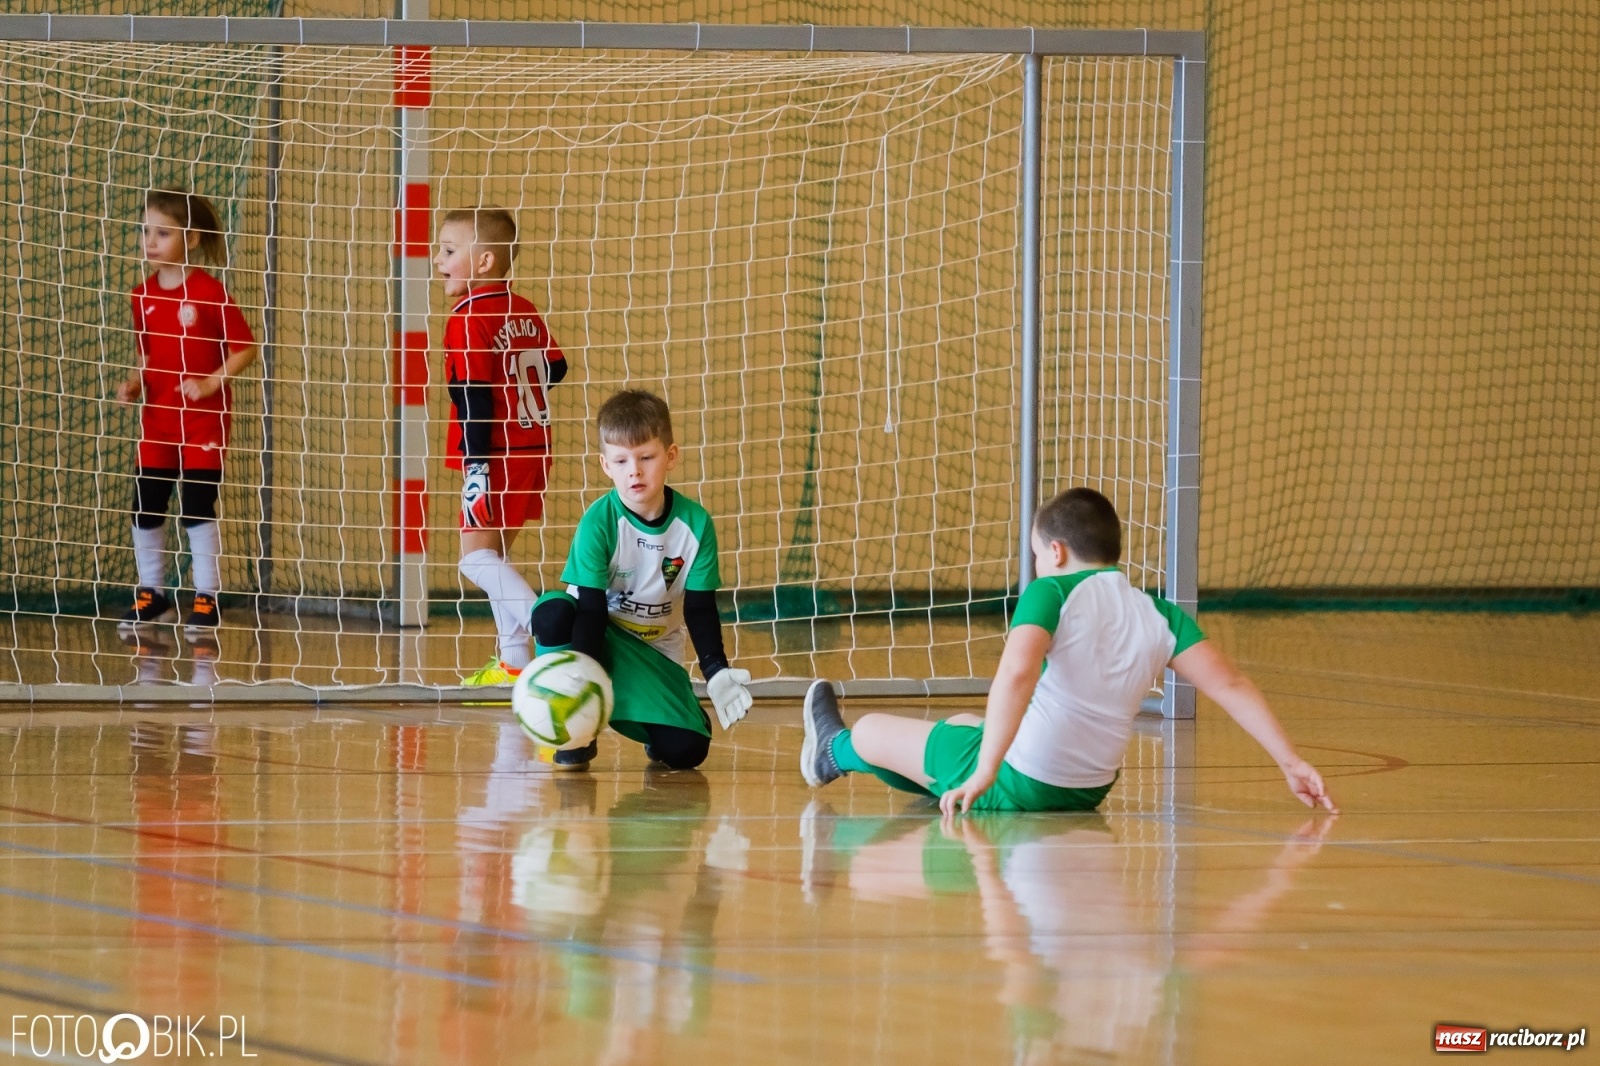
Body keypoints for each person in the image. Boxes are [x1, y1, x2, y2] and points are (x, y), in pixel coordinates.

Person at [800, 487, 1338, 816]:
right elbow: (1231, 685)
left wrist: (986, 771)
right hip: (1086, 790)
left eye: (1037, 554)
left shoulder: (1050, 592)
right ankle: (945, 774)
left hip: (1024, 780)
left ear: (1055, 552)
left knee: (871, 730)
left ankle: (832, 752)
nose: (1037, 565)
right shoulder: (1158, 613)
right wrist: (1291, 761)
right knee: (964, 723)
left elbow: (1017, 674)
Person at [529, 389, 752, 771]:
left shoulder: (695, 524)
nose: (634, 470)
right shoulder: (599, 522)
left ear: (670, 456)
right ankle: (579, 734)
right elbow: (591, 609)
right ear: (606, 465)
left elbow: (699, 608)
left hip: (654, 647)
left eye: (646, 457)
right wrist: (583, 678)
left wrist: (715, 668)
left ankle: (670, 717)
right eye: (621, 460)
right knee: (552, 613)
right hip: (597, 633)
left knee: (687, 751)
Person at [434, 208, 568, 685]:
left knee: (474, 559)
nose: (437, 260)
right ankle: (515, 663)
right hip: (534, 446)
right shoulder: (523, 308)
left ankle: (552, 634)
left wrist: (476, 467)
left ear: (485, 260)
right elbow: (557, 367)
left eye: (449, 250)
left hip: (494, 454)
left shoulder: (468, 316)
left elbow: (473, 396)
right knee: (495, 559)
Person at [115, 189, 257, 637]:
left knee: (196, 506)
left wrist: (213, 382)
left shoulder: (210, 292)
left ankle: (206, 597)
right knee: (146, 505)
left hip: (202, 422)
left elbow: (245, 347)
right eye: (146, 231)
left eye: (162, 233)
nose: (150, 241)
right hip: (158, 423)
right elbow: (147, 353)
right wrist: (136, 382)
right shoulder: (141, 295)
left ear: (191, 239)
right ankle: (152, 595)